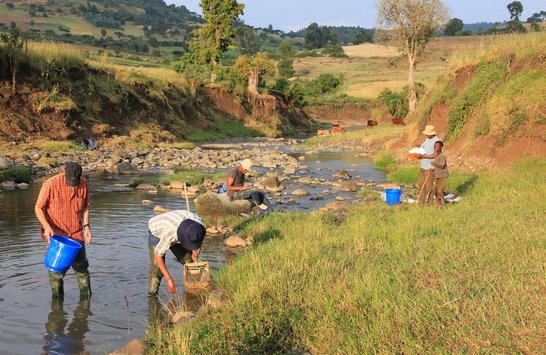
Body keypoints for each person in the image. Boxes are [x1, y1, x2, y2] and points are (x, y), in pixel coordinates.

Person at [35, 162, 92, 298]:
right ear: (63, 173)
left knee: (82, 270)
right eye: (71, 182)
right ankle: (57, 309)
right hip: (56, 236)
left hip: (76, 234)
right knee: (56, 273)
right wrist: (46, 227)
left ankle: (86, 304)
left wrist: (87, 226)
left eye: (75, 182)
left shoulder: (83, 183)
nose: (73, 185)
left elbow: (85, 207)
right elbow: (38, 208)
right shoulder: (50, 184)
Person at [148, 210, 206, 296]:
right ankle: (152, 296)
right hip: (157, 231)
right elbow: (158, 255)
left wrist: (196, 249)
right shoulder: (170, 234)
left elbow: (198, 240)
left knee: (189, 260)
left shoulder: (199, 226)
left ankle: (194, 288)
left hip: (179, 226)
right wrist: (169, 279)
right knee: (157, 269)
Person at [416, 125, 441, 204]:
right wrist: (419, 147)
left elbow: (435, 155)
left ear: (432, 133)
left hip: (431, 168)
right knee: (420, 185)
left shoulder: (437, 142)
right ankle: (421, 202)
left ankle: (430, 204)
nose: (426, 135)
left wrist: (422, 156)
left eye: (427, 133)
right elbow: (423, 146)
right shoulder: (427, 139)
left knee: (429, 187)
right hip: (423, 167)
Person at [431, 141, 449, 208]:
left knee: (439, 190)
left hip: (443, 175)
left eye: (437, 146)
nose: (435, 147)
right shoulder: (437, 155)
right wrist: (432, 169)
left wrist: (434, 164)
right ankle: (439, 205)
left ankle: (443, 205)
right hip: (438, 176)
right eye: (434, 146)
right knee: (434, 191)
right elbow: (438, 166)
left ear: (441, 147)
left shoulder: (442, 155)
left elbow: (442, 166)